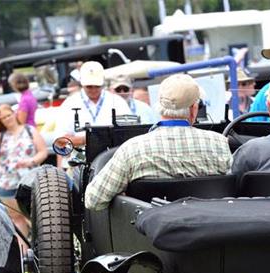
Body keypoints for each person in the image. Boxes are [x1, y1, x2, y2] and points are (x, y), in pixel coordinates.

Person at [85, 74, 232, 211]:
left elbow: (93, 200)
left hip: (148, 234)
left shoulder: (133, 149)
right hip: (208, 230)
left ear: (160, 107)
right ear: (193, 109)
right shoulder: (219, 143)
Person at [0, 104, 48, 237]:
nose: (7, 119)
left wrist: (31, 161)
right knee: (16, 218)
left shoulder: (29, 130)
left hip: (29, 181)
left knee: (34, 216)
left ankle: (41, 245)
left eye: (8, 115)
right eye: (3, 118)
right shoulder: (1, 136)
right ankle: (23, 251)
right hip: (7, 183)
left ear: (14, 114)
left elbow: (43, 152)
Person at [55, 61, 131, 147]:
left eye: (97, 86)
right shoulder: (69, 104)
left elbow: (128, 132)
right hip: (80, 157)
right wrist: (87, 140)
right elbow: (59, 140)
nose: (94, 90)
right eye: (89, 86)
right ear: (81, 83)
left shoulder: (117, 102)